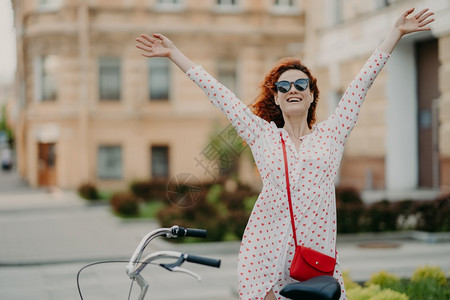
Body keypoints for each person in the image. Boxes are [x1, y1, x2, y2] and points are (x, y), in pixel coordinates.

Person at [136, 8, 434, 300]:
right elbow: (220, 94)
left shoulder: (332, 133)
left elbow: (360, 85)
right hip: (266, 256)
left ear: (312, 95)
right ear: (276, 97)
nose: (294, 88)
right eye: (284, 85)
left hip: (316, 259)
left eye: (301, 84)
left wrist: (395, 33)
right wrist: (175, 54)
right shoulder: (262, 134)